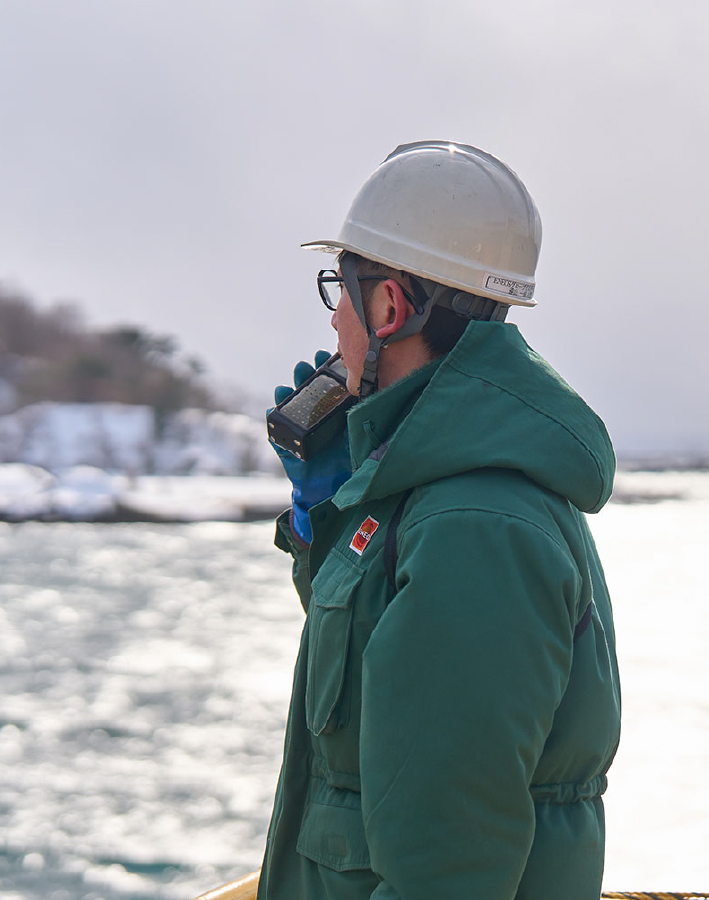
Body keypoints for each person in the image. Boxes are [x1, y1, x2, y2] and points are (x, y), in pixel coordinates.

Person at [259, 141, 621, 900]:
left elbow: (449, 873)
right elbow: (376, 684)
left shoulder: (473, 526)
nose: (335, 324)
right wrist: (325, 517)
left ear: (388, 306)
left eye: (341, 290)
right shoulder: (431, 493)